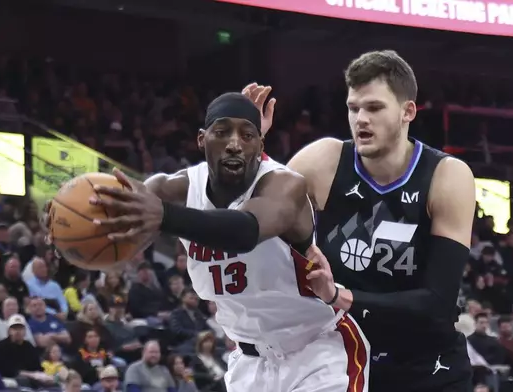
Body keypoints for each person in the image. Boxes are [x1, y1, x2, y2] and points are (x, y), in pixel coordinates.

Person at [47, 92, 369, 392]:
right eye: (222, 132)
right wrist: (67, 228)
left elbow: (246, 230)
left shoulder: (285, 186)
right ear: (202, 140)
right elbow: (114, 224)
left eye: (247, 135)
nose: (234, 145)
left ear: (260, 145)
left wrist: (165, 216)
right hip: (249, 364)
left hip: (318, 351)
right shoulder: (174, 190)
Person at [242, 49, 475, 391]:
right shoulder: (325, 159)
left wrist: (340, 296)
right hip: (343, 360)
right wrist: (251, 152)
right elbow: (252, 219)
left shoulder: (446, 175)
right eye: (354, 108)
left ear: (407, 111)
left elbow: (437, 303)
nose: (361, 119)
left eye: (374, 108)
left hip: (427, 367)